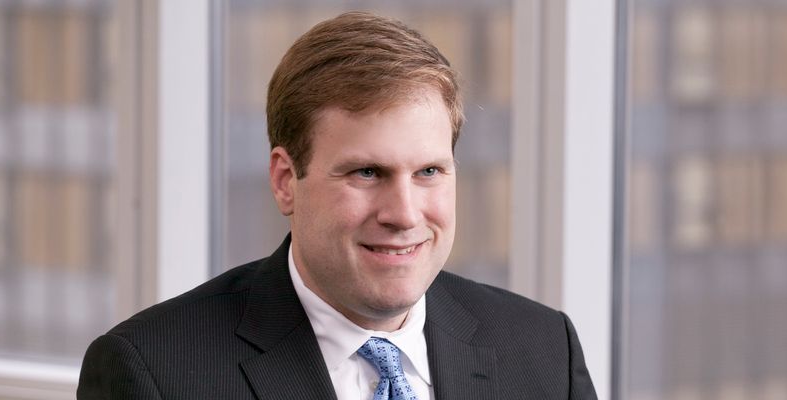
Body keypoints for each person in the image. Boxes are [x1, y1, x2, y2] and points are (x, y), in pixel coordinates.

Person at [78, 11, 597, 400]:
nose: (404, 214)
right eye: (367, 173)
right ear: (286, 181)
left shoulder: (545, 351)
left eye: (428, 172)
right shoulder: (153, 373)